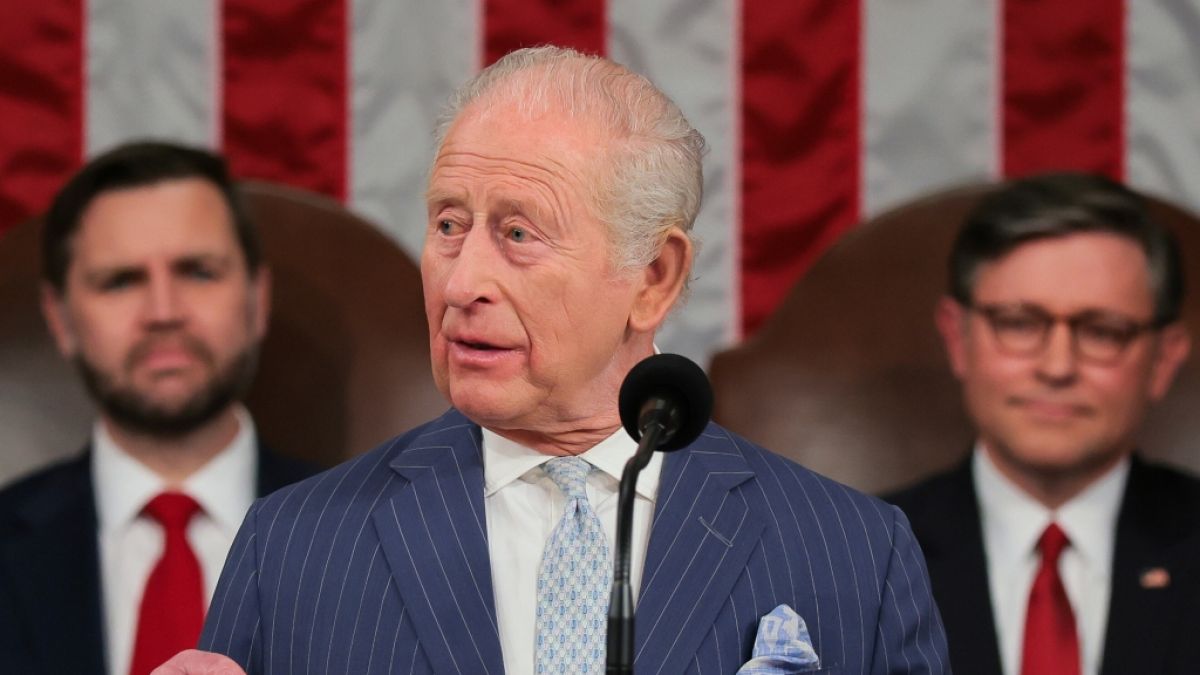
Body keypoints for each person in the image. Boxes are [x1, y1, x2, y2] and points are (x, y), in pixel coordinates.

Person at [161, 47, 948, 674]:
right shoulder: (292, 548)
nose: (463, 282)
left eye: (518, 234)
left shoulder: (854, 554)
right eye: (448, 225)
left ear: (654, 277)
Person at [0, 141, 314, 675]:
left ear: (257, 299)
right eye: (121, 281)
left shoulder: (375, 538)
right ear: (60, 319)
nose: (163, 312)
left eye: (198, 271)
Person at [888, 173, 1200, 675]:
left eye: (1103, 331)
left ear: (1164, 359)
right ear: (957, 337)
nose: (1057, 367)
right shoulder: (859, 551)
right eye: (1019, 322)